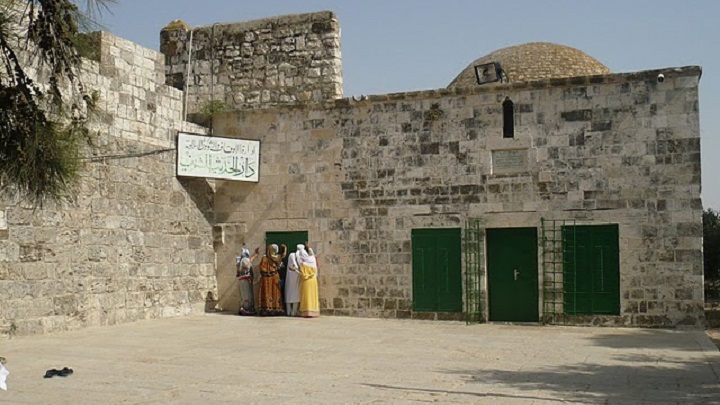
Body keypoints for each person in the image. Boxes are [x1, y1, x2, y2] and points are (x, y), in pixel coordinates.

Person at [256, 244, 286, 316]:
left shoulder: (264, 258)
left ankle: (268, 308)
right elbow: (283, 255)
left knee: (270, 292)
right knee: (273, 292)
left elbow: (261, 268)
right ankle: (274, 308)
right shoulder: (277, 258)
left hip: (266, 279)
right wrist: (285, 248)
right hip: (274, 278)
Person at [296, 242, 320, 318]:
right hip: (313, 280)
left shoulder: (303, 264)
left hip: (306, 281)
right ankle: (314, 311)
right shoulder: (313, 260)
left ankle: (305, 312)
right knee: (313, 295)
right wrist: (309, 247)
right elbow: (312, 254)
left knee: (306, 296)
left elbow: (302, 274)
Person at [236, 247, 259, 316]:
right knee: (246, 295)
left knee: (248, 294)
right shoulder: (243, 260)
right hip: (245, 279)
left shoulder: (242, 260)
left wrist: (255, 254)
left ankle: (247, 308)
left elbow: (250, 261)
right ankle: (246, 308)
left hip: (246, 279)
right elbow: (247, 265)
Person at [285, 252, 301, 316]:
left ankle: (293, 312)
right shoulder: (292, 262)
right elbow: (295, 267)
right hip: (292, 282)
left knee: (293, 297)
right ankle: (290, 312)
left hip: (294, 283)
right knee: (292, 297)